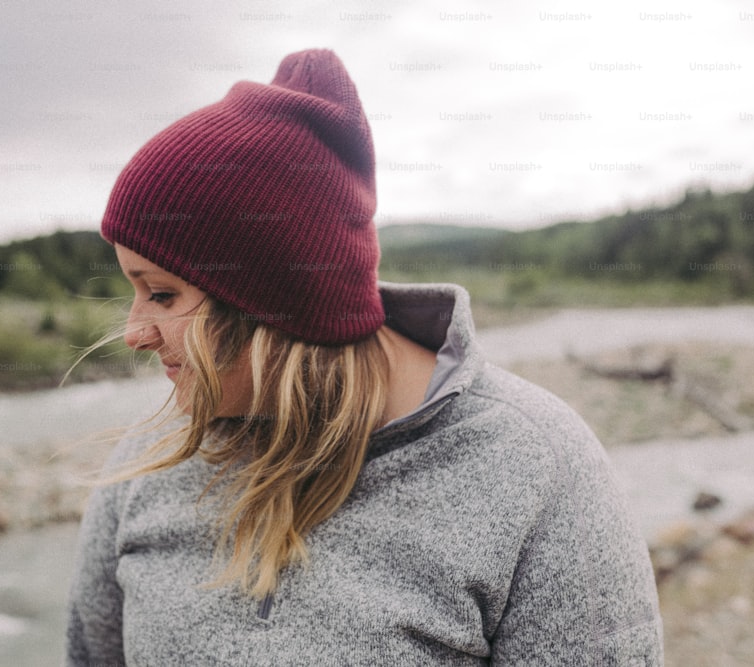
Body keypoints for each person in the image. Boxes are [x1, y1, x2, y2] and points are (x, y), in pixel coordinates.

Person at [65, 48, 664, 665]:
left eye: (162, 294)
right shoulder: (143, 470)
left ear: (275, 298)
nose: (134, 333)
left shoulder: (537, 466)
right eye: (134, 291)